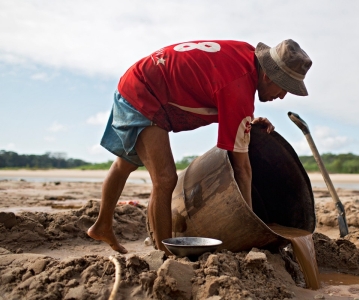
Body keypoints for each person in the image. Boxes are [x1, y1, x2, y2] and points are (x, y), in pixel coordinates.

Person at [87, 39, 312, 254]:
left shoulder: (245, 55)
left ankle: (102, 225)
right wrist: (251, 226)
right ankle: (164, 253)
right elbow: (242, 170)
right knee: (165, 179)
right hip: (145, 93)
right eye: (284, 88)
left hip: (140, 77)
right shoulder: (238, 88)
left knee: (124, 164)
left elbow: (216, 85)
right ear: (268, 75)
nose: (282, 96)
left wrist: (245, 122)